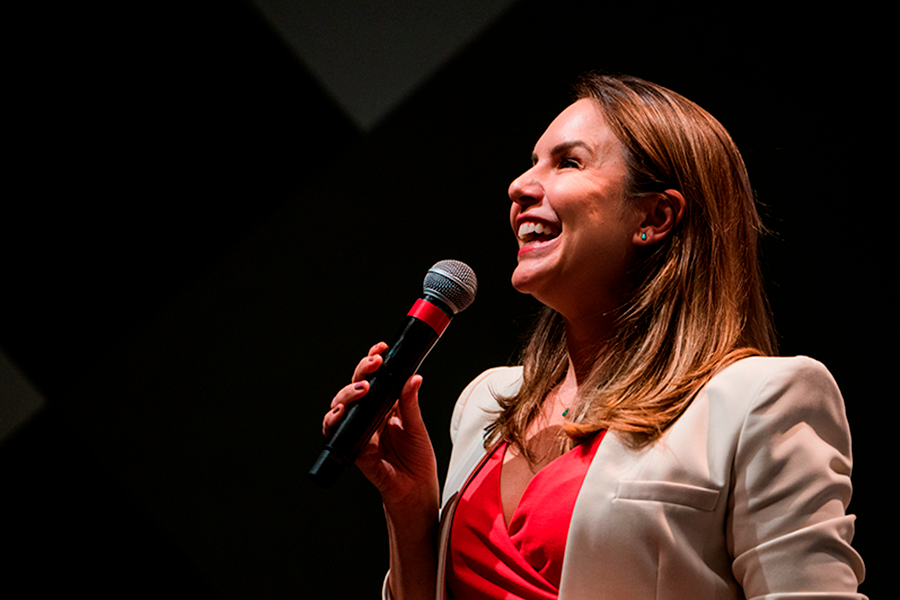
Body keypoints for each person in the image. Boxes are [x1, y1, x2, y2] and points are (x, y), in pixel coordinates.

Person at [322, 72, 866, 599]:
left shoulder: (759, 401)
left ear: (653, 215)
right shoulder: (485, 406)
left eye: (567, 162)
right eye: (532, 162)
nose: (519, 186)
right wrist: (411, 507)